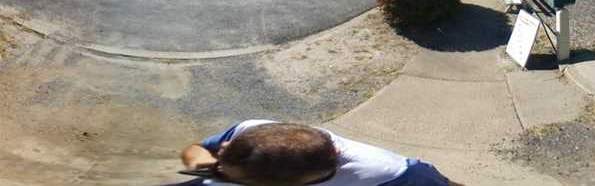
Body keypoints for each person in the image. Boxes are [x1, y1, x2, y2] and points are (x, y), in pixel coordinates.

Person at [180, 120, 461, 186]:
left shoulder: (395, 173)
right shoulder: (252, 131)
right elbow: (197, 150)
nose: (222, 151)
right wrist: (206, 162)